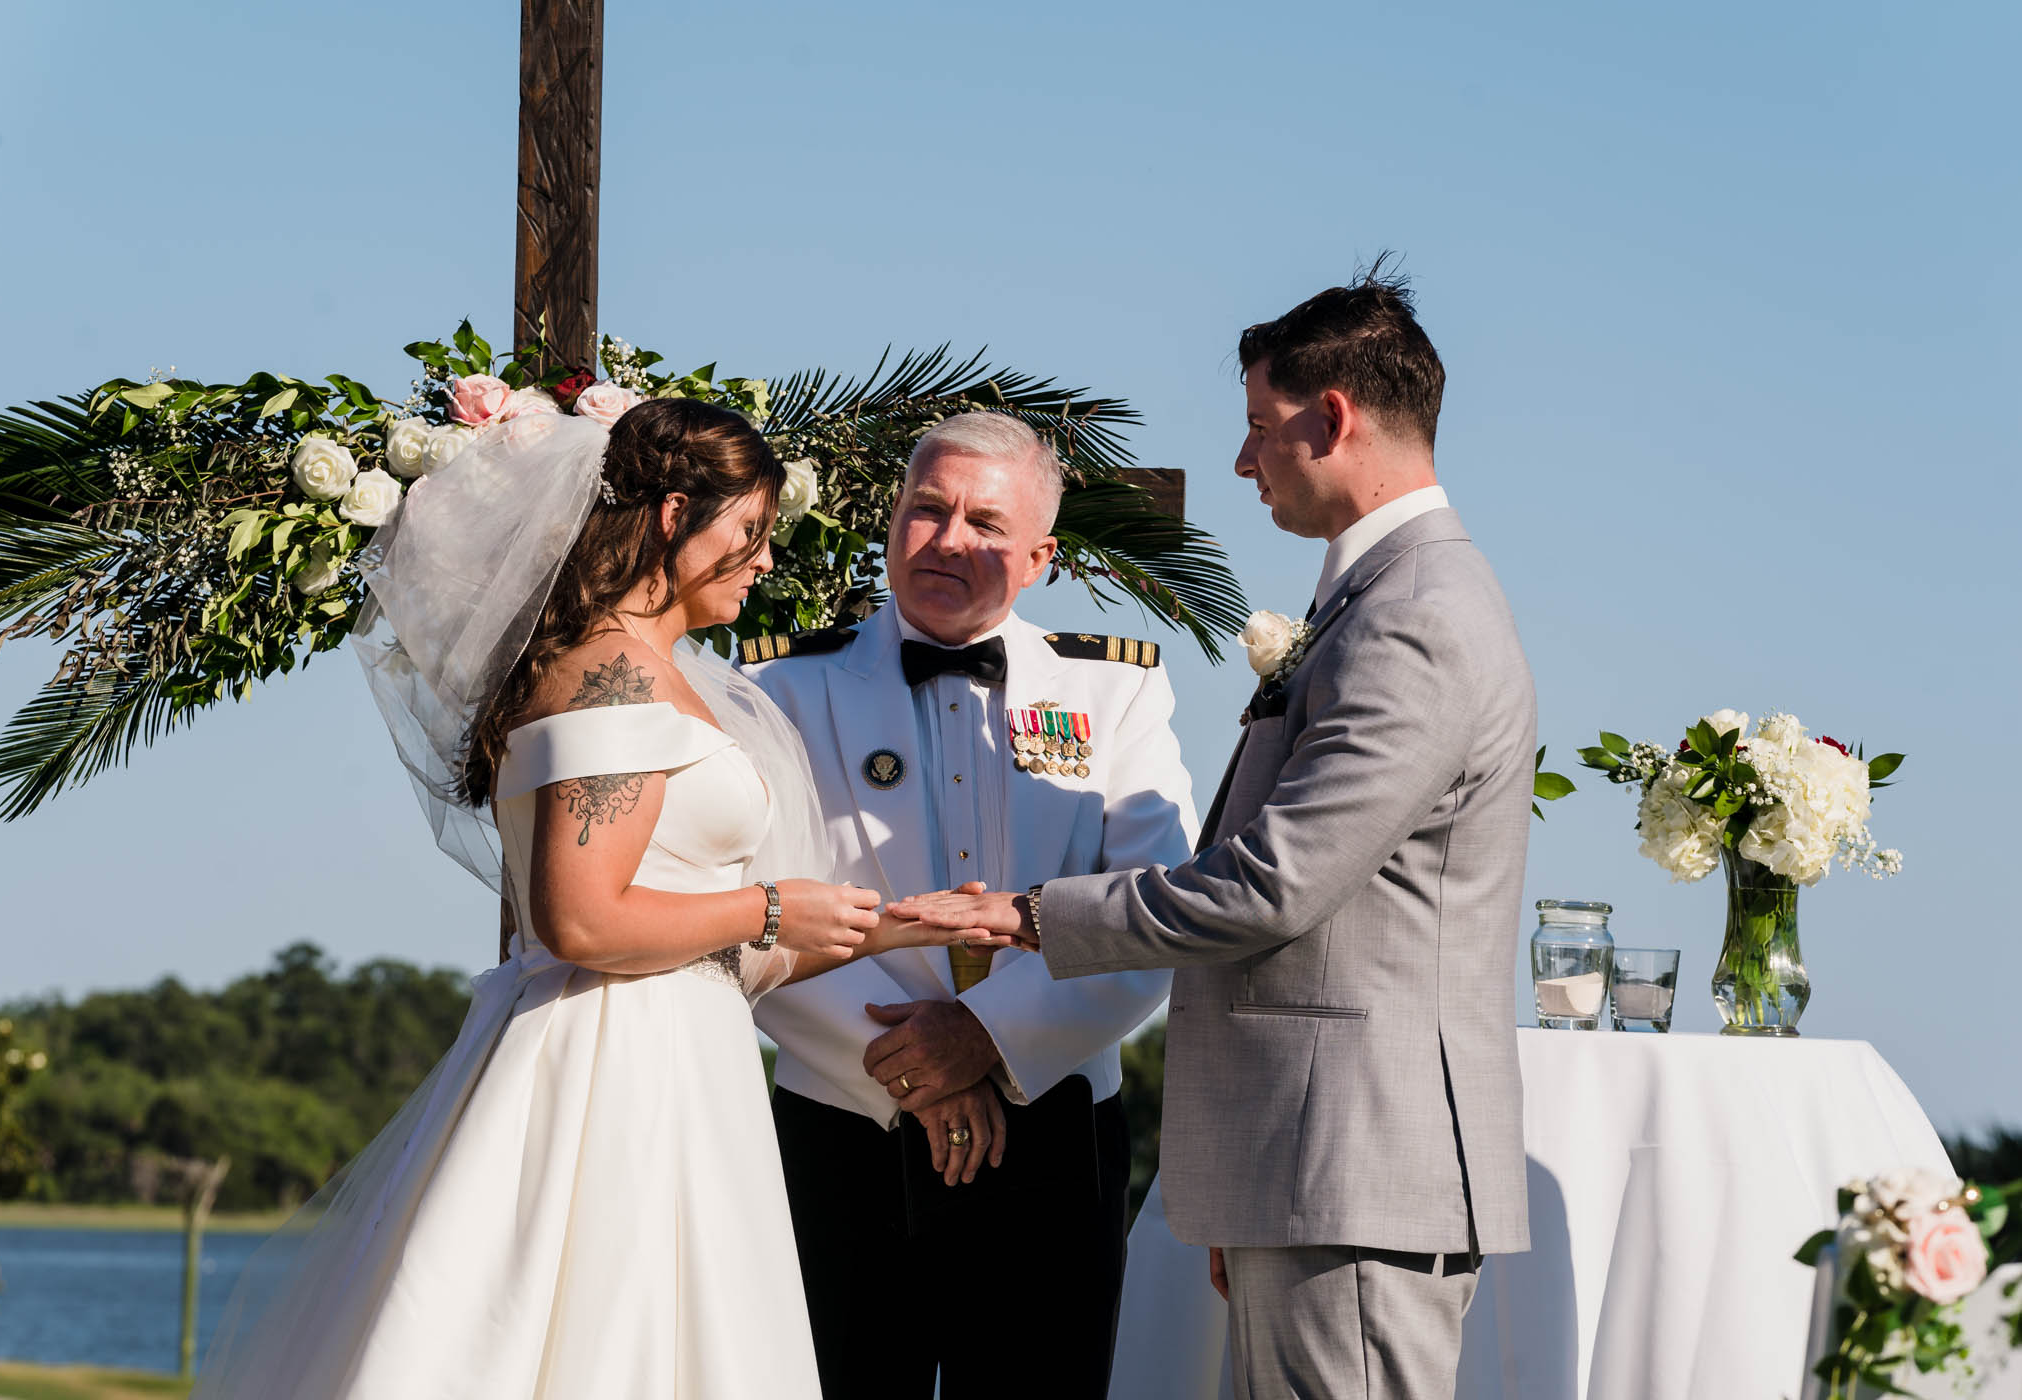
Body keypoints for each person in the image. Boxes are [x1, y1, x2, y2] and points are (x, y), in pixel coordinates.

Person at [193, 399, 965, 1399]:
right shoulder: (608, 676)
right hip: (608, 1066)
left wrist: (893, 923)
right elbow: (580, 918)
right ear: (675, 514)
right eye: (749, 533)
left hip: (685, 1053)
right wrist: (769, 907)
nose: (765, 560)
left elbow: (705, 940)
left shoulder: (668, 674)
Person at [893, 272, 1536, 1400]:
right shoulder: (1377, 598)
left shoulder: (1416, 613)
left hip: (1356, 1163)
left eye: (1257, 428)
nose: (1244, 463)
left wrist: (1028, 913)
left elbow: (1274, 883)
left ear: (1331, 417)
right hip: (1308, 1166)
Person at [741, 411, 1198, 1398]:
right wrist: (918, 1069)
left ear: (1039, 555)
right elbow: (754, 913)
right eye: (927, 509)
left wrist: (986, 1037)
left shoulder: (1115, 692)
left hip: (1053, 1127)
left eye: (985, 523)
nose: (949, 539)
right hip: (842, 1126)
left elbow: (1150, 913)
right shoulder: (778, 685)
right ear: (893, 519)